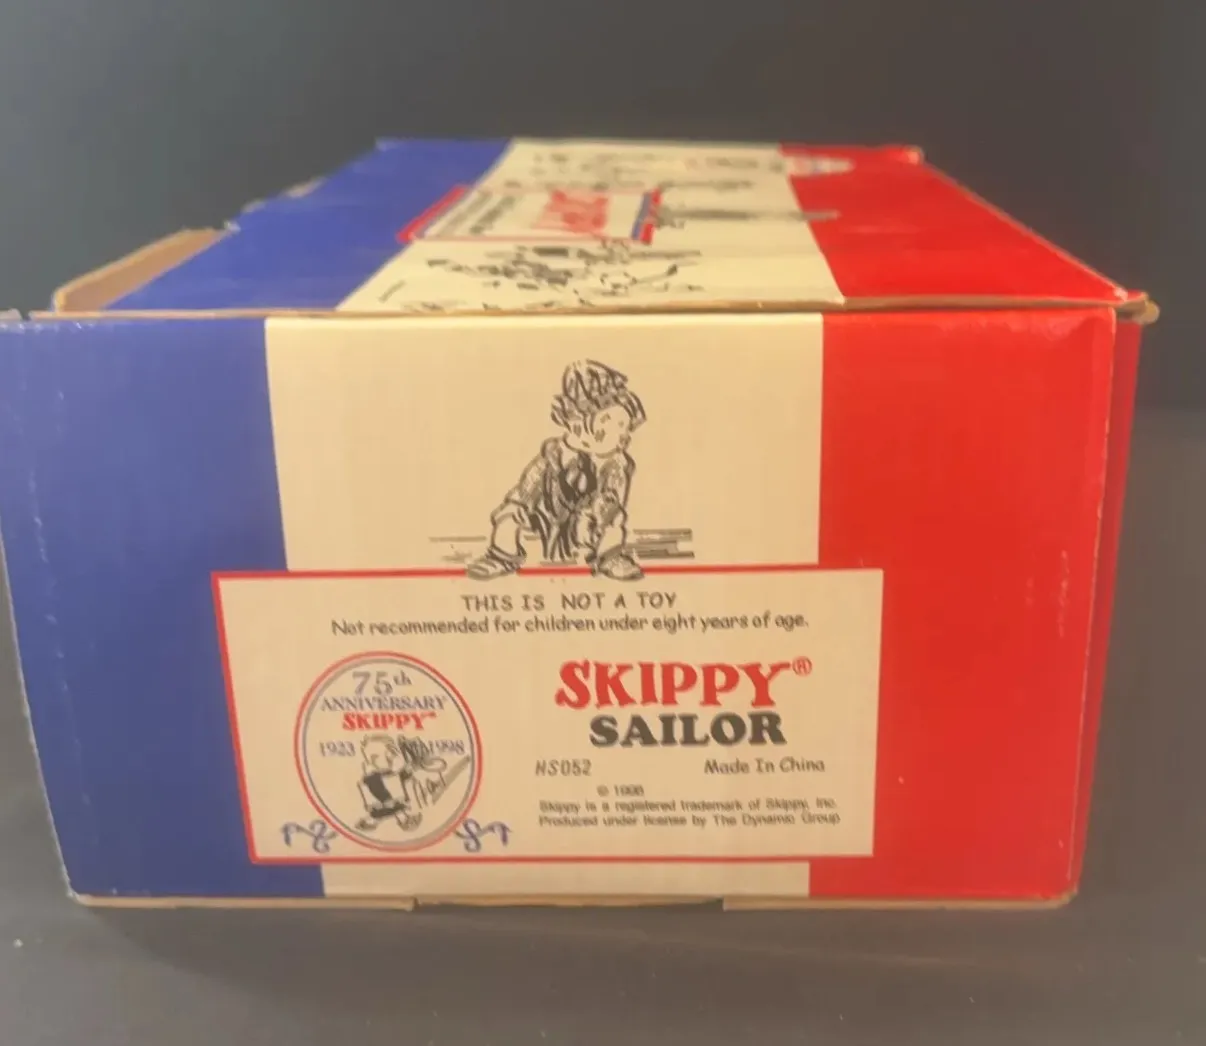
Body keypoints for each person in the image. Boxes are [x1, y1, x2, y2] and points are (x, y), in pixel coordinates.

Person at [468, 360, 646, 581]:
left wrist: (597, 514)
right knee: (509, 517)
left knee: (615, 519)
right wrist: (518, 505)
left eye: (626, 428)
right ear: (578, 425)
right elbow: (529, 485)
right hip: (547, 515)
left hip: (589, 520)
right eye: (616, 426)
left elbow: (612, 497)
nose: (624, 437)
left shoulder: (616, 463)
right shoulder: (552, 454)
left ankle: (610, 557)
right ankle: (501, 557)